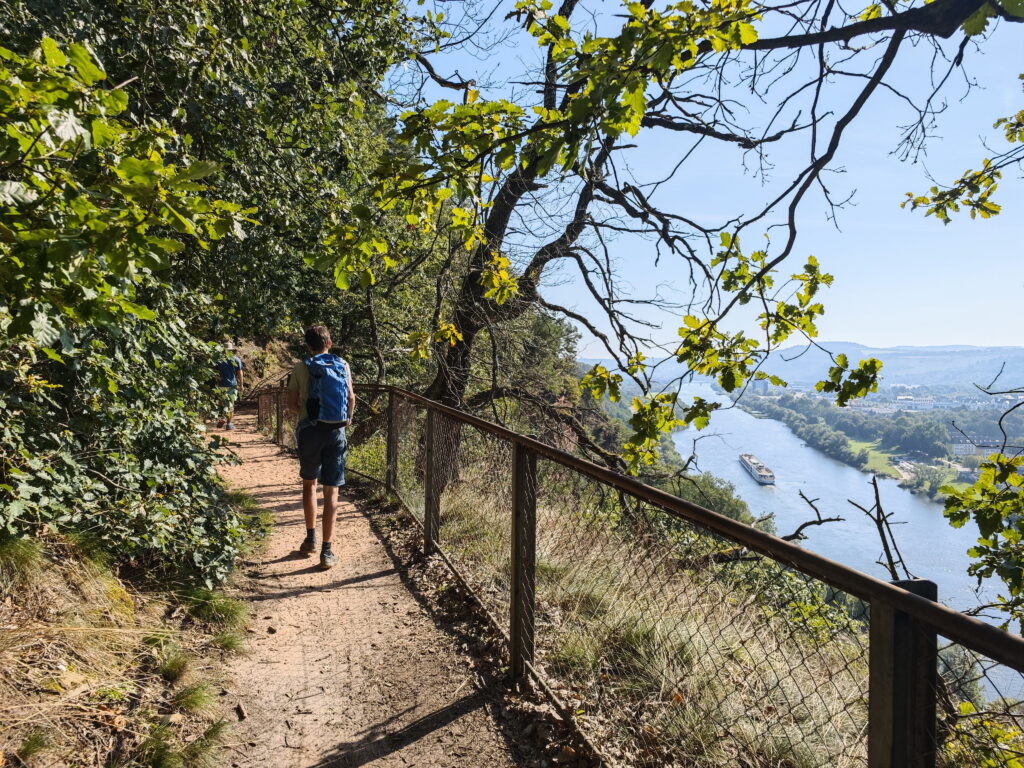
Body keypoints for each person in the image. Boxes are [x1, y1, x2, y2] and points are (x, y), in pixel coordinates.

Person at [286, 325, 355, 570]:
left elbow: (291, 403)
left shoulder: (300, 366)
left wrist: (307, 413)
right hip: (336, 432)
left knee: (309, 483)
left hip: (310, 431)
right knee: (332, 491)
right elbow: (350, 398)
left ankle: (310, 538)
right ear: (330, 342)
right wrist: (344, 422)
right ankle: (327, 551)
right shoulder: (342, 365)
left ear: (308, 346)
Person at [215, 344, 244, 430]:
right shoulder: (236, 359)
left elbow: (215, 373)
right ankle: (229, 424)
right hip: (232, 385)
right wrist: (241, 385)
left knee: (222, 404)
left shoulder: (219, 360)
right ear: (231, 350)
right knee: (230, 405)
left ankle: (222, 418)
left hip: (221, 385)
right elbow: (240, 373)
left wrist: (217, 382)